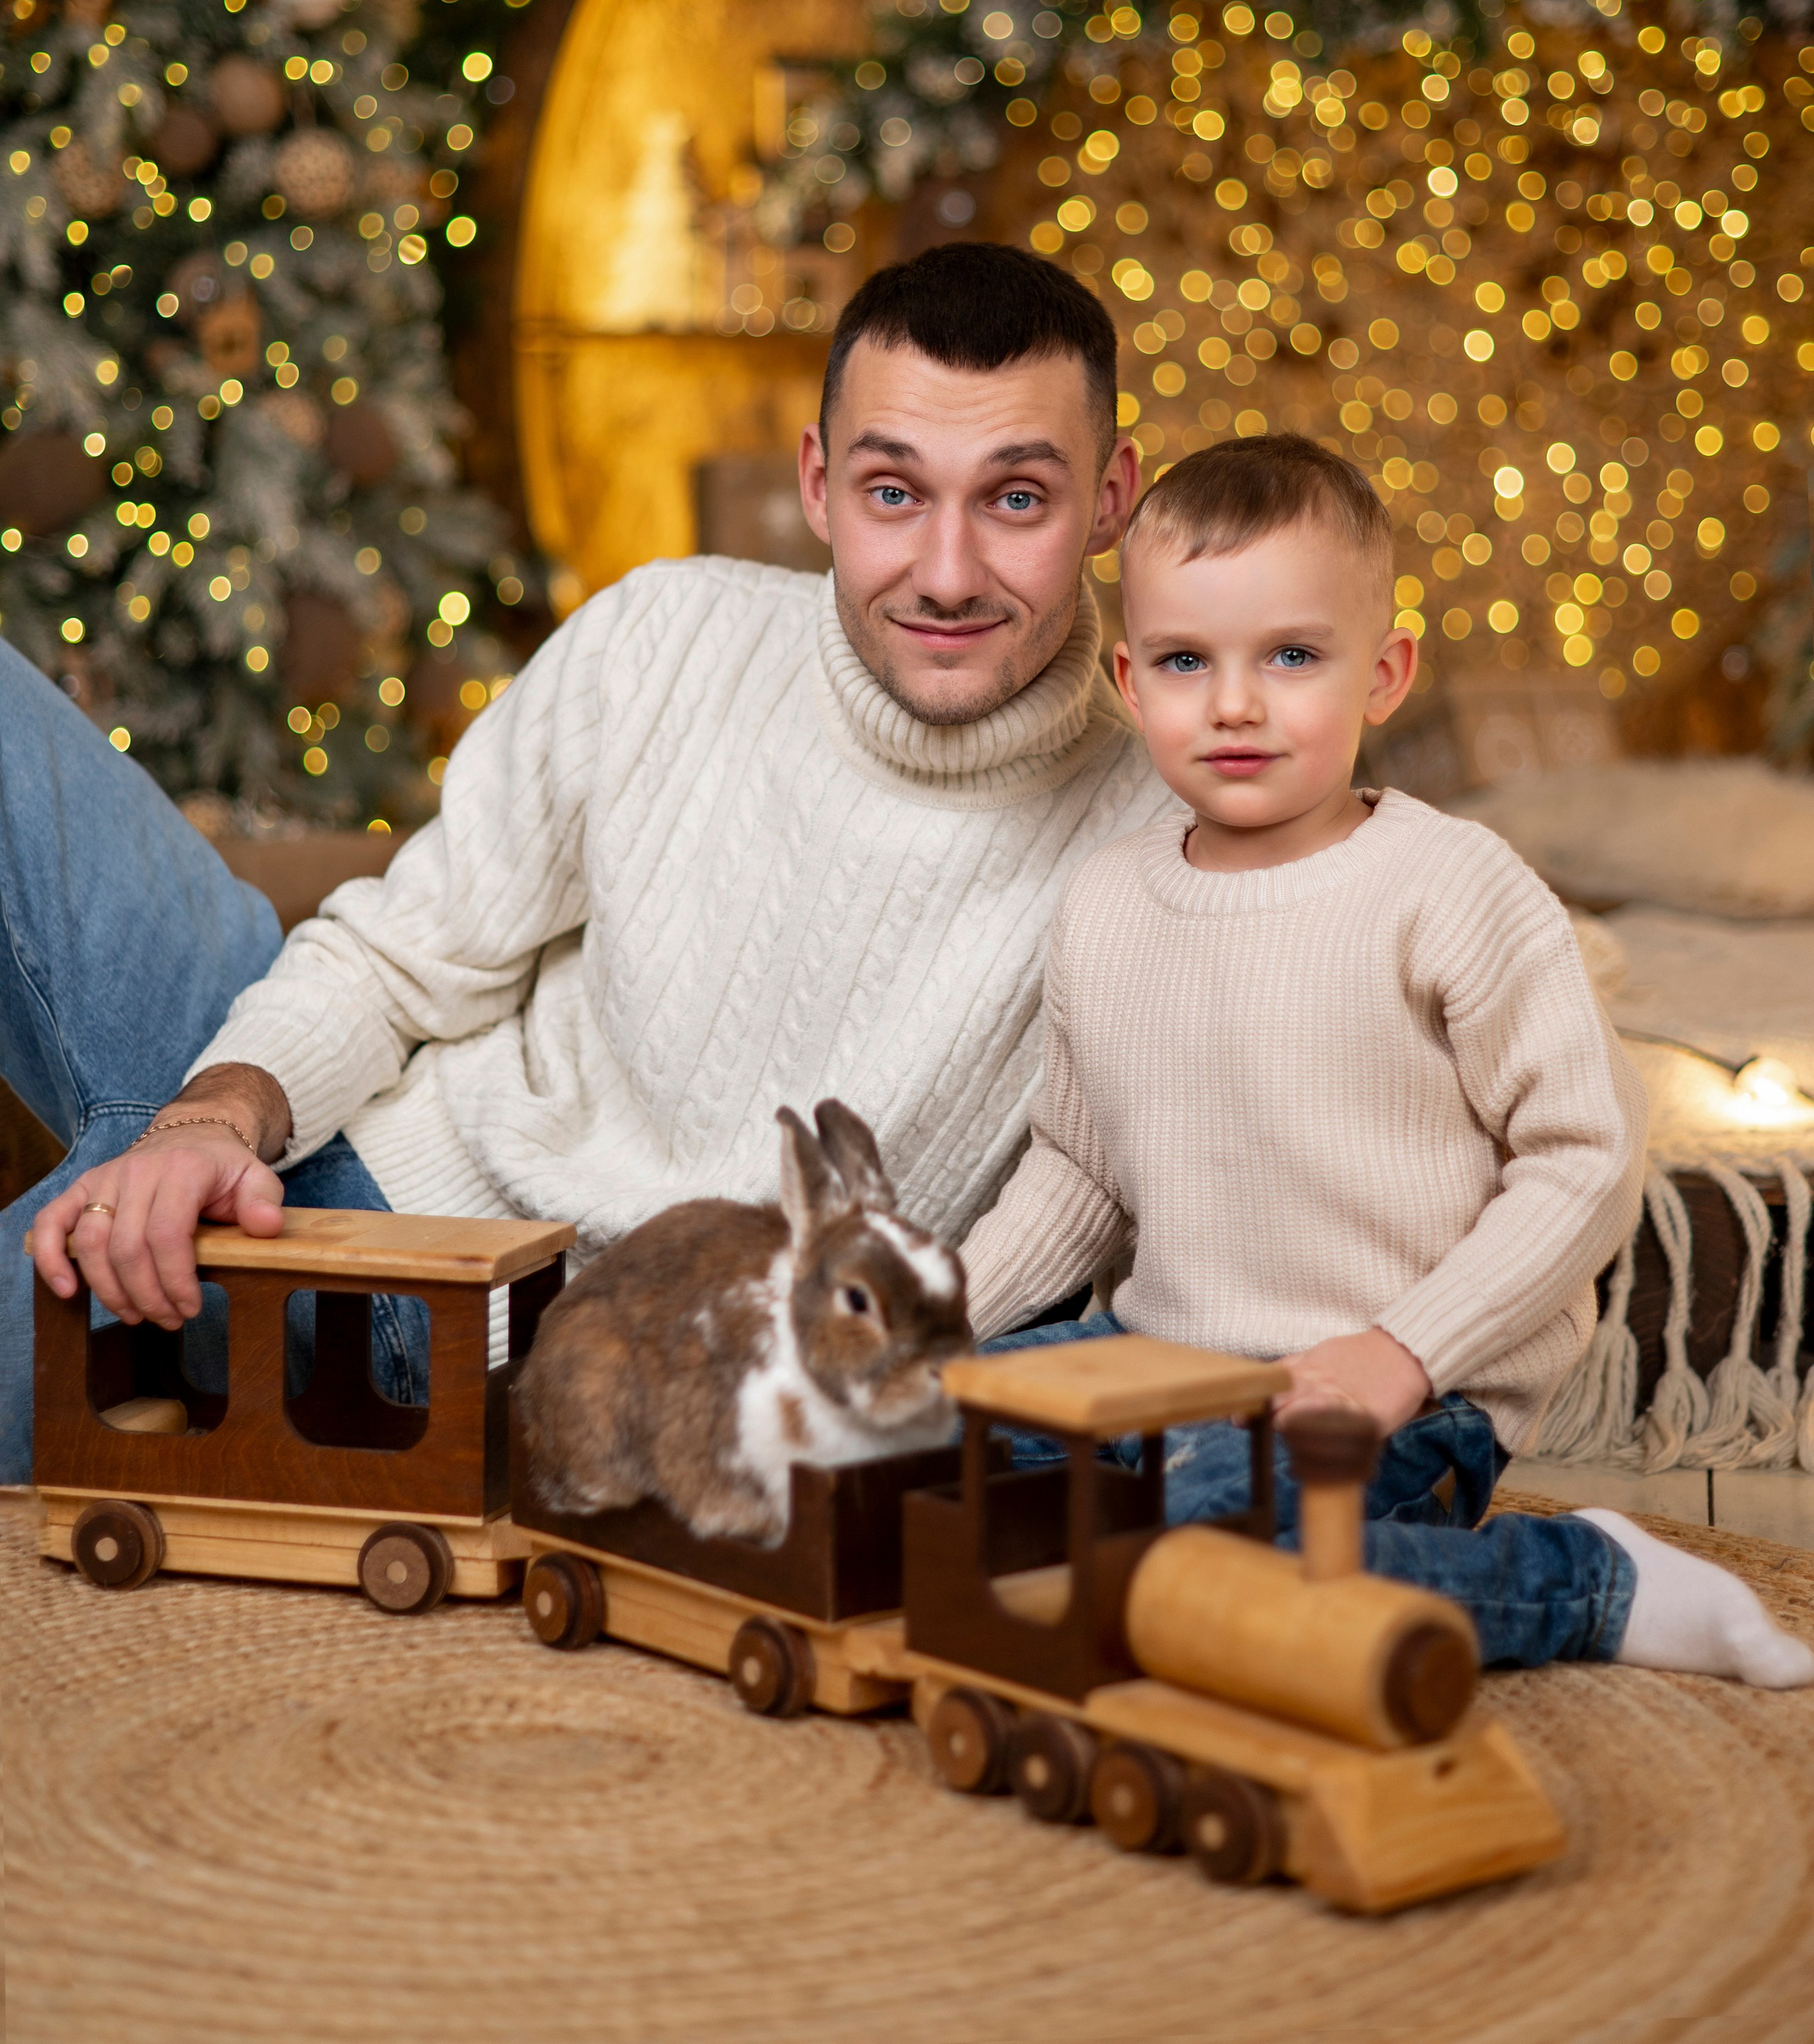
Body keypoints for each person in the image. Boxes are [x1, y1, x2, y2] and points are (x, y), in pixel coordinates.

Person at [3, 242, 1174, 1483]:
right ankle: (151, 1164)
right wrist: (210, 1120)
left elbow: (1131, 1249)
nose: (946, 574)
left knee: (114, 1198)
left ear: (1111, 499)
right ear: (820, 484)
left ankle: (140, 1201)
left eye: (1016, 500)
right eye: (894, 492)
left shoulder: (1169, 839)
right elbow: (397, 960)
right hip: (330, 1130)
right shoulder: (666, 634)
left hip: (465, 1333)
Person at [959, 432, 1814, 1688]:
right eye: (1189, 661)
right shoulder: (1104, 904)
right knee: (883, 1453)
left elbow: (1585, 1158)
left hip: (1395, 1387)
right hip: (1152, 1366)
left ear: (1386, 673)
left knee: (1215, 1566)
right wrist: (924, 1329)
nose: (1236, 704)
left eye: (1292, 657)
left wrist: (1404, 1351)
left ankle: (1591, 1576)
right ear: (1131, 683)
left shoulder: (1448, 886)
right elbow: (1080, 1174)